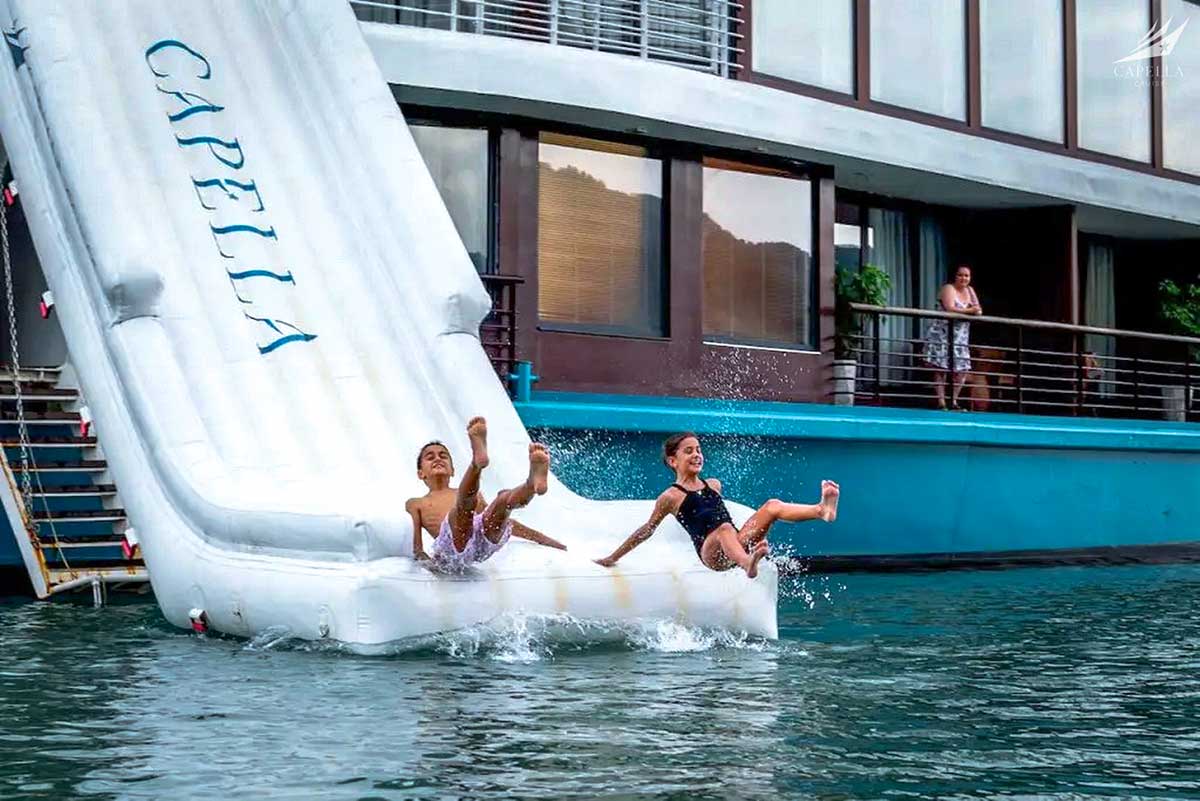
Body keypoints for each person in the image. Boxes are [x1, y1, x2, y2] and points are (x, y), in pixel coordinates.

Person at [593, 432, 839, 579]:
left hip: (736, 544)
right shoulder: (671, 496)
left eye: (698, 450)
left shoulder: (713, 485)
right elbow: (647, 529)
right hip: (712, 556)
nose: (697, 454)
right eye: (688, 451)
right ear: (672, 461)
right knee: (723, 529)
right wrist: (613, 557)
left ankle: (821, 510)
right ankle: (748, 565)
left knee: (772, 506)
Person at [406, 417, 565, 571]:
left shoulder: (471, 494)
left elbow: (504, 521)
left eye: (443, 456)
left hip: (483, 544)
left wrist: (544, 540)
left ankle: (531, 484)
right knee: (463, 507)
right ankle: (476, 464)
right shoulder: (416, 503)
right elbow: (417, 548)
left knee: (502, 500)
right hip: (451, 552)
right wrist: (431, 566)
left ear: (453, 470)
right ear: (421, 473)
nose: (437, 459)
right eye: (430, 457)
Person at [924, 264, 982, 410]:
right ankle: (942, 402)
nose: (964, 278)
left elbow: (979, 310)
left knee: (962, 369)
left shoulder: (970, 290)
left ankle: (954, 401)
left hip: (961, 336)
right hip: (943, 334)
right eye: (960, 275)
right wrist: (970, 311)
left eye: (967, 275)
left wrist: (973, 310)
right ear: (954, 276)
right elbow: (950, 308)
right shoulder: (948, 288)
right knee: (941, 368)